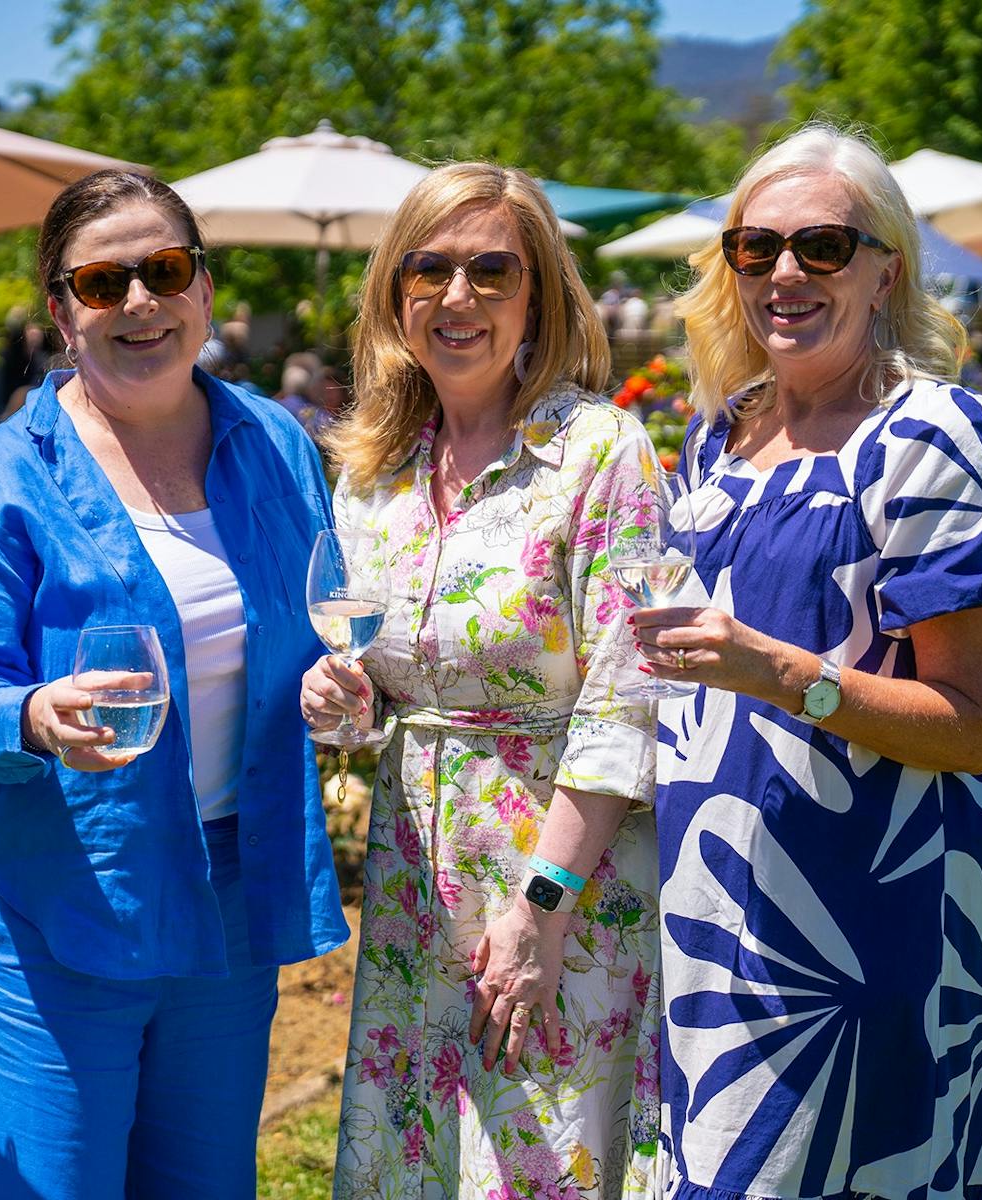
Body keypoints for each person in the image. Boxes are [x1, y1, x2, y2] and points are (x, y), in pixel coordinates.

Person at [0, 169, 349, 1200]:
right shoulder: (3, 480)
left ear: (202, 287)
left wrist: (338, 680)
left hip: (230, 893)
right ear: (62, 314)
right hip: (62, 900)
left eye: (162, 270)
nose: (139, 303)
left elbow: (312, 621)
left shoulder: (277, 444)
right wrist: (27, 710)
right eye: (103, 284)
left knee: (203, 1184)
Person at [634, 122, 982, 1199]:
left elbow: (970, 724)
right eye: (754, 246)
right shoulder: (720, 436)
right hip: (714, 901)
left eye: (821, 246)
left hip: (865, 929)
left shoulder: (935, 436)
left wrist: (781, 673)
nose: (783, 271)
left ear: (883, 270)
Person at [303, 163, 664, 1200]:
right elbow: (377, 674)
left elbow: (623, 698)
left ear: (538, 293)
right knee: (415, 1156)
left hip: (559, 880)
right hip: (417, 881)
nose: (456, 297)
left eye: (490, 270)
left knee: (538, 1159)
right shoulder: (373, 467)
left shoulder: (598, 451)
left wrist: (542, 908)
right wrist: (344, 701)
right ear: (394, 291)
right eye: (430, 269)